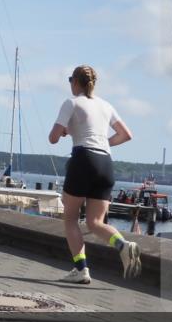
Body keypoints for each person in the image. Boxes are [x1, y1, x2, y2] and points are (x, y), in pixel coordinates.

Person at [49, 65, 140, 284]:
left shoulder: (71, 103)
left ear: (76, 82)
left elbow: (52, 138)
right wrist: (102, 142)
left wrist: (63, 131)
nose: (70, 83)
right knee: (95, 222)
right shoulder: (106, 105)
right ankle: (123, 245)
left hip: (83, 159)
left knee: (70, 218)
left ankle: (81, 269)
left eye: (71, 79)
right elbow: (126, 134)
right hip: (105, 162)